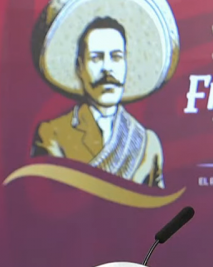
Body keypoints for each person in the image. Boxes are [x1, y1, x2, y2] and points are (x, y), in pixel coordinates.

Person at [31, 16, 165, 188]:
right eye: (96, 58)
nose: (107, 68)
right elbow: (51, 199)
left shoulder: (147, 143)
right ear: (80, 67)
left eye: (116, 57)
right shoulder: (52, 135)